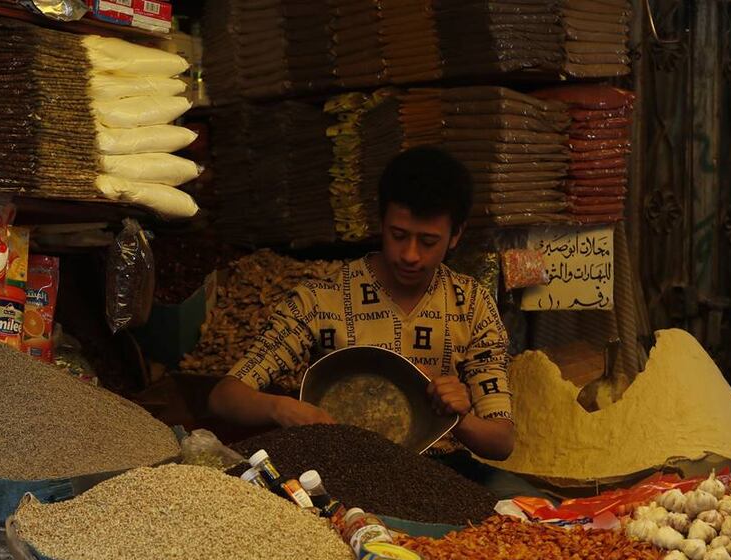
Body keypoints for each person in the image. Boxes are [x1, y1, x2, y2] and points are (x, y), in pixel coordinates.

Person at [209, 146, 516, 465]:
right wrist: (279, 407)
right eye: (398, 235)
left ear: (456, 236)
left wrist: (459, 417)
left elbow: (501, 441)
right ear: (380, 223)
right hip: (339, 466)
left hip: (438, 471)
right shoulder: (320, 298)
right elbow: (224, 396)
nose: (410, 254)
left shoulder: (473, 305)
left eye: (428, 242)